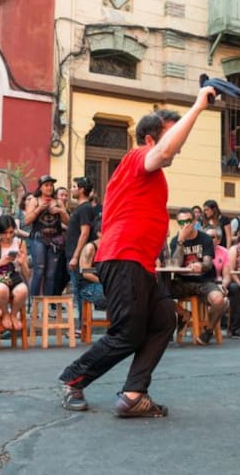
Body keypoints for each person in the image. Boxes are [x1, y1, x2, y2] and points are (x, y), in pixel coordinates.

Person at [59, 86, 218, 417]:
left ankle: (133, 394)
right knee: (128, 333)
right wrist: (198, 105)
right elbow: (162, 152)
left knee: (164, 319)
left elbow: (166, 152)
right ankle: (74, 379)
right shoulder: (136, 158)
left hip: (141, 263)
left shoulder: (153, 172)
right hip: (123, 256)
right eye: (168, 138)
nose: (176, 147)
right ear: (150, 139)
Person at [169, 208, 226, 346]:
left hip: (203, 281)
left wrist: (200, 265)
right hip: (182, 282)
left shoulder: (205, 238)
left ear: (194, 221)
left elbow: (207, 263)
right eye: (181, 222)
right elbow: (176, 264)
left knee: (219, 300)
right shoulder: (176, 241)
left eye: (188, 221)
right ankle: (183, 313)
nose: (185, 225)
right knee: (156, 292)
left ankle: (208, 331)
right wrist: (181, 241)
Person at [0, 215, 30, 332]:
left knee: (23, 290)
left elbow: (27, 276)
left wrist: (22, 264)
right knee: (2, 289)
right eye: (4, 233)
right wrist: (1, 262)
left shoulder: (20, 243)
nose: (8, 236)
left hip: (13, 278)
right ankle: (5, 314)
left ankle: (13, 314)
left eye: (11, 232)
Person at [25, 175, 69, 299]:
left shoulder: (58, 202)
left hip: (55, 240)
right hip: (38, 238)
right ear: (40, 187)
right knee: (39, 271)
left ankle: (48, 306)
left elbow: (68, 222)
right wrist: (39, 209)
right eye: (46, 185)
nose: (49, 187)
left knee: (51, 274)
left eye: (51, 185)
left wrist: (61, 211)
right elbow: (27, 221)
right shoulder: (34, 200)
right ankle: (34, 304)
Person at [66, 177, 95, 326]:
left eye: (74, 186)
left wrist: (76, 256)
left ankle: (82, 325)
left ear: (82, 189)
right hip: (71, 254)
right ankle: (81, 324)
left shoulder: (85, 208)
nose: (72, 189)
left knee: (79, 290)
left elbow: (84, 233)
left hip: (77, 256)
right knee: (76, 289)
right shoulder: (80, 208)